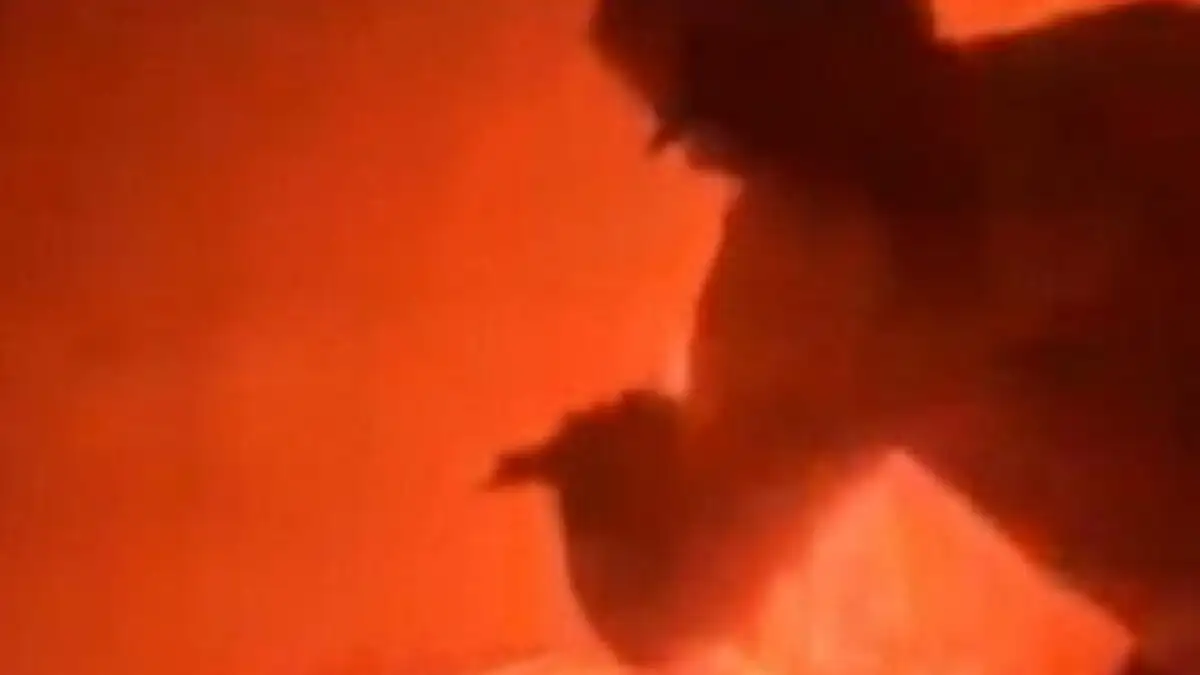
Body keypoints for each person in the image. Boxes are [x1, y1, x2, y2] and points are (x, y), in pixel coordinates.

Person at [489, 0, 1200, 670]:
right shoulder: (801, 298)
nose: (717, 159)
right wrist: (615, 490)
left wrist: (610, 490)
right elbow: (677, 604)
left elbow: (673, 606)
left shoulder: (1141, 72)